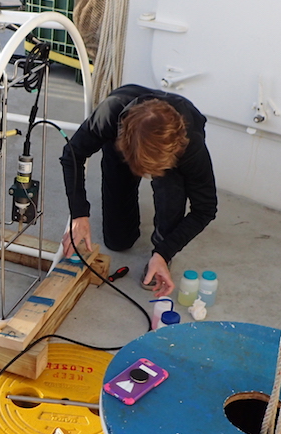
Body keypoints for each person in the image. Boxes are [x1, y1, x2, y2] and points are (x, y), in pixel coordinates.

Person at [60, 85, 217, 296]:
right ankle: (127, 173)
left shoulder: (191, 145)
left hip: (176, 147)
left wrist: (164, 251)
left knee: (170, 190)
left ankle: (161, 254)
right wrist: (78, 213)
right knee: (117, 242)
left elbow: (205, 209)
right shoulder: (110, 114)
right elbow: (72, 155)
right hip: (124, 140)